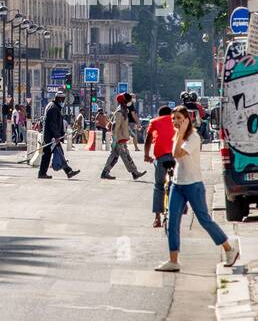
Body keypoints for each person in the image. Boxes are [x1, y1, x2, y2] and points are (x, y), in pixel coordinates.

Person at [155, 105, 240, 273]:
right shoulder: (178, 136)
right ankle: (173, 260)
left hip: (193, 185)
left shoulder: (194, 137)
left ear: (188, 119)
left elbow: (177, 154)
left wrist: (180, 133)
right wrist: (179, 134)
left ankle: (229, 249)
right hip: (178, 184)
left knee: (204, 220)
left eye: (179, 118)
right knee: (172, 221)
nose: (176, 122)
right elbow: (174, 152)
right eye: (174, 119)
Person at [100, 93, 147, 181]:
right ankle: (134, 172)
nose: (130, 101)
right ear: (124, 102)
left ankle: (105, 172)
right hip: (119, 139)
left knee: (115, 156)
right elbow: (115, 126)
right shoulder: (119, 112)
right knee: (125, 156)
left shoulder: (124, 110)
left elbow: (123, 125)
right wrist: (114, 140)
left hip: (121, 138)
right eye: (128, 100)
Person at [144, 104, 176, 227]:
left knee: (159, 186)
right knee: (176, 186)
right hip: (175, 156)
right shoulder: (177, 121)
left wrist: (146, 155)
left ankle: (157, 218)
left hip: (161, 157)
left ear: (159, 115)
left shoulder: (155, 122)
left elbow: (148, 139)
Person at [38, 92, 79, 180]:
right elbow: (53, 123)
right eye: (63, 99)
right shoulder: (54, 108)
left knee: (52, 154)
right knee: (56, 154)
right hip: (51, 137)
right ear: (59, 99)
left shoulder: (53, 106)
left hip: (50, 136)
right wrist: (56, 136)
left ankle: (67, 171)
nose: (63, 101)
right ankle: (67, 171)